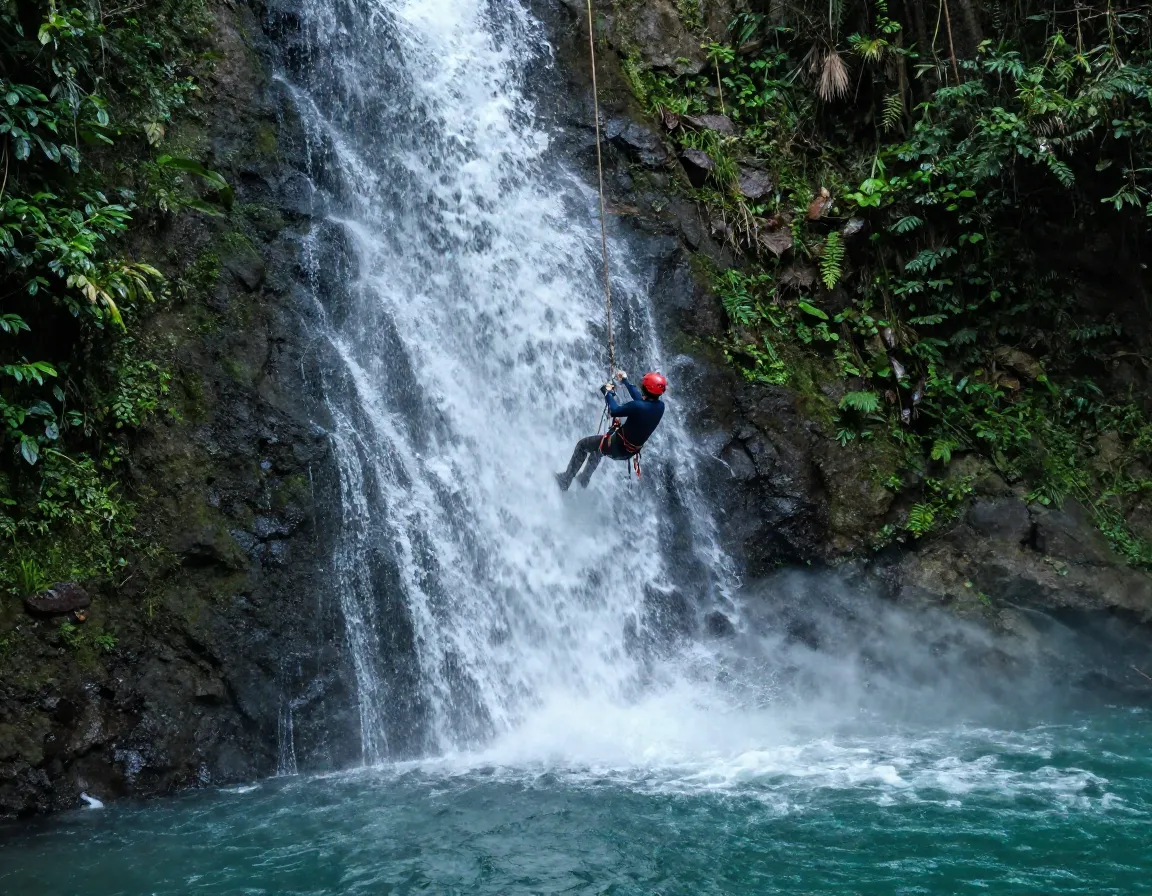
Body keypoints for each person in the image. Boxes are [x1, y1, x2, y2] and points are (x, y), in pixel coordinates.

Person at [556, 370, 667, 491]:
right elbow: (640, 399)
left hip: (617, 447)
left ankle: (565, 480)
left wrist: (608, 393)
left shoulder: (637, 407)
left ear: (645, 388)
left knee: (582, 445)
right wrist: (625, 380)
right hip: (628, 451)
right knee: (598, 448)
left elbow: (615, 410)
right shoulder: (660, 406)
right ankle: (584, 479)